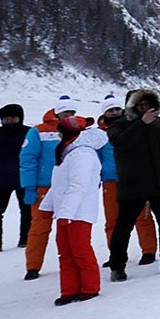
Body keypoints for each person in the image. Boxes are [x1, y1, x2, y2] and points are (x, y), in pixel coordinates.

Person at [106, 88, 160, 279]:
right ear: (132, 107)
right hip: (133, 184)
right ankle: (117, 267)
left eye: (148, 105)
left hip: (159, 183)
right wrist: (141, 124)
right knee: (124, 226)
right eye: (140, 106)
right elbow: (120, 143)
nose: (145, 109)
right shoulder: (119, 124)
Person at [38, 116, 106, 305]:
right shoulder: (68, 152)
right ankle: (69, 290)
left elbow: (78, 186)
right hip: (65, 212)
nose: (57, 134)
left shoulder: (83, 154)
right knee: (65, 252)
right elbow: (59, 185)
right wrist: (48, 206)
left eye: (60, 130)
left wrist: (66, 213)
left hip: (79, 213)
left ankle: (90, 287)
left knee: (80, 251)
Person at [19, 94, 77, 280]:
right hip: (44, 187)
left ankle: (74, 260)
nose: (68, 115)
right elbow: (27, 159)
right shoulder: (38, 131)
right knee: (39, 228)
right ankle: (33, 266)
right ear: (57, 113)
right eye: (65, 112)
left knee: (71, 226)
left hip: (68, 186)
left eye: (71, 112)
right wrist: (29, 186)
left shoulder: (77, 130)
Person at [97, 93, 157, 266]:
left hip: (134, 178)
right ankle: (115, 253)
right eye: (110, 110)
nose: (114, 112)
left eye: (117, 109)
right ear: (104, 113)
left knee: (142, 217)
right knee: (112, 220)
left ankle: (149, 250)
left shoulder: (131, 126)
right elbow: (96, 158)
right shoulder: (98, 134)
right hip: (110, 181)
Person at [0, 103, 31, 255]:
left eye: (13, 118)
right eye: (6, 118)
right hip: (0, 180)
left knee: (27, 211)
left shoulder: (30, 133)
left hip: (25, 179)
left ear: (20, 118)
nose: (10, 121)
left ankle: (25, 239)